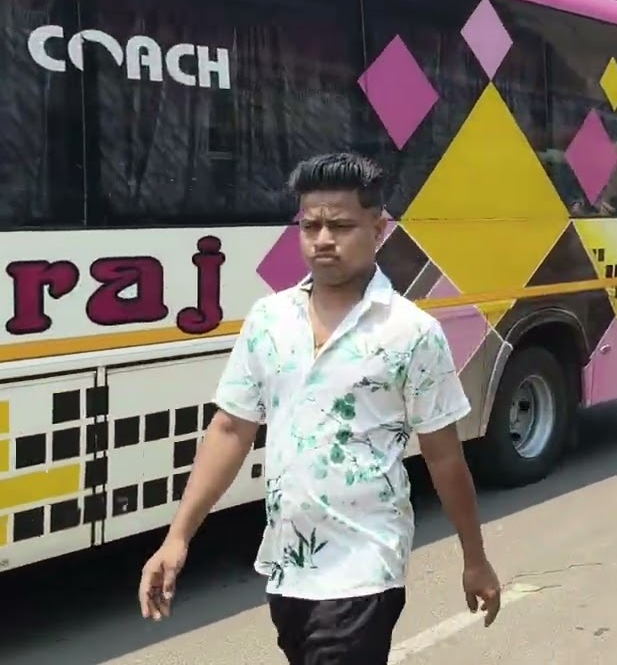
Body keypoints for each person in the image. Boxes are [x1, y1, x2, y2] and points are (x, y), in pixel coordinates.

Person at [137, 153, 503, 664]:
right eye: (310, 225)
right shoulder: (269, 319)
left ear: (378, 228)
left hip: (366, 563)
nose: (323, 239)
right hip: (287, 563)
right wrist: (177, 538)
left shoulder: (412, 332)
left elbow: (444, 456)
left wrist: (475, 558)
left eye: (341, 225)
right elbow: (230, 429)